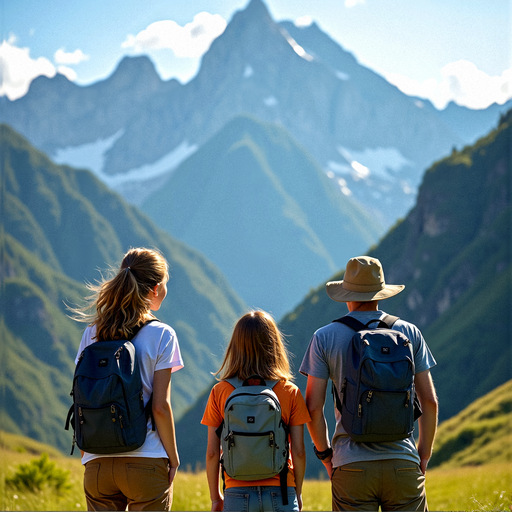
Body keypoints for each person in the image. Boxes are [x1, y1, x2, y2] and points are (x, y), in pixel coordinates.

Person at [300, 256, 438, 511]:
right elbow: (429, 401)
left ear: (346, 294)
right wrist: (423, 454)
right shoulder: (410, 332)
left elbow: (313, 408)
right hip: (403, 462)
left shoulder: (324, 337)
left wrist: (326, 456)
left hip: (351, 465)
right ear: (381, 293)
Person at [71, 247, 183, 511]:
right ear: (156, 289)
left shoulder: (92, 332)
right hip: (146, 460)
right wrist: (173, 457)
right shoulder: (162, 334)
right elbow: (160, 407)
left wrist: (88, 453)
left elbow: (81, 393)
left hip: (97, 461)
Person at [201, 310, 311, 512]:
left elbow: (212, 453)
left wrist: (216, 497)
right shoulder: (289, 391)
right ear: (274, 345)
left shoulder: (220, 391)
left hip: (236, 492)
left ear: (235, 347)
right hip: (282, 492)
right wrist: (298, 492)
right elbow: (299, 452)